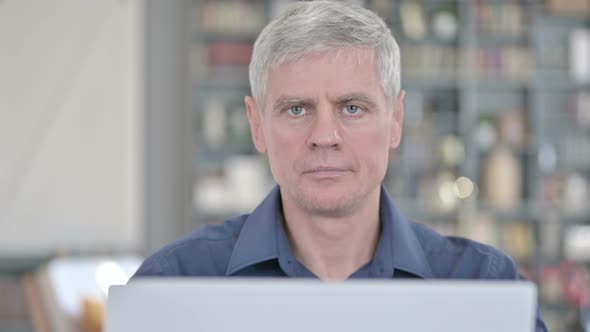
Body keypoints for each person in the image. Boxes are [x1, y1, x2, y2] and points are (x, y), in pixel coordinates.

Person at [134, 1, 547, 330]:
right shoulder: (172, 285)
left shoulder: (483, 288)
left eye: (352, 107)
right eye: (297, 109)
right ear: (257, 126)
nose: (325, 135)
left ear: (396, 121)